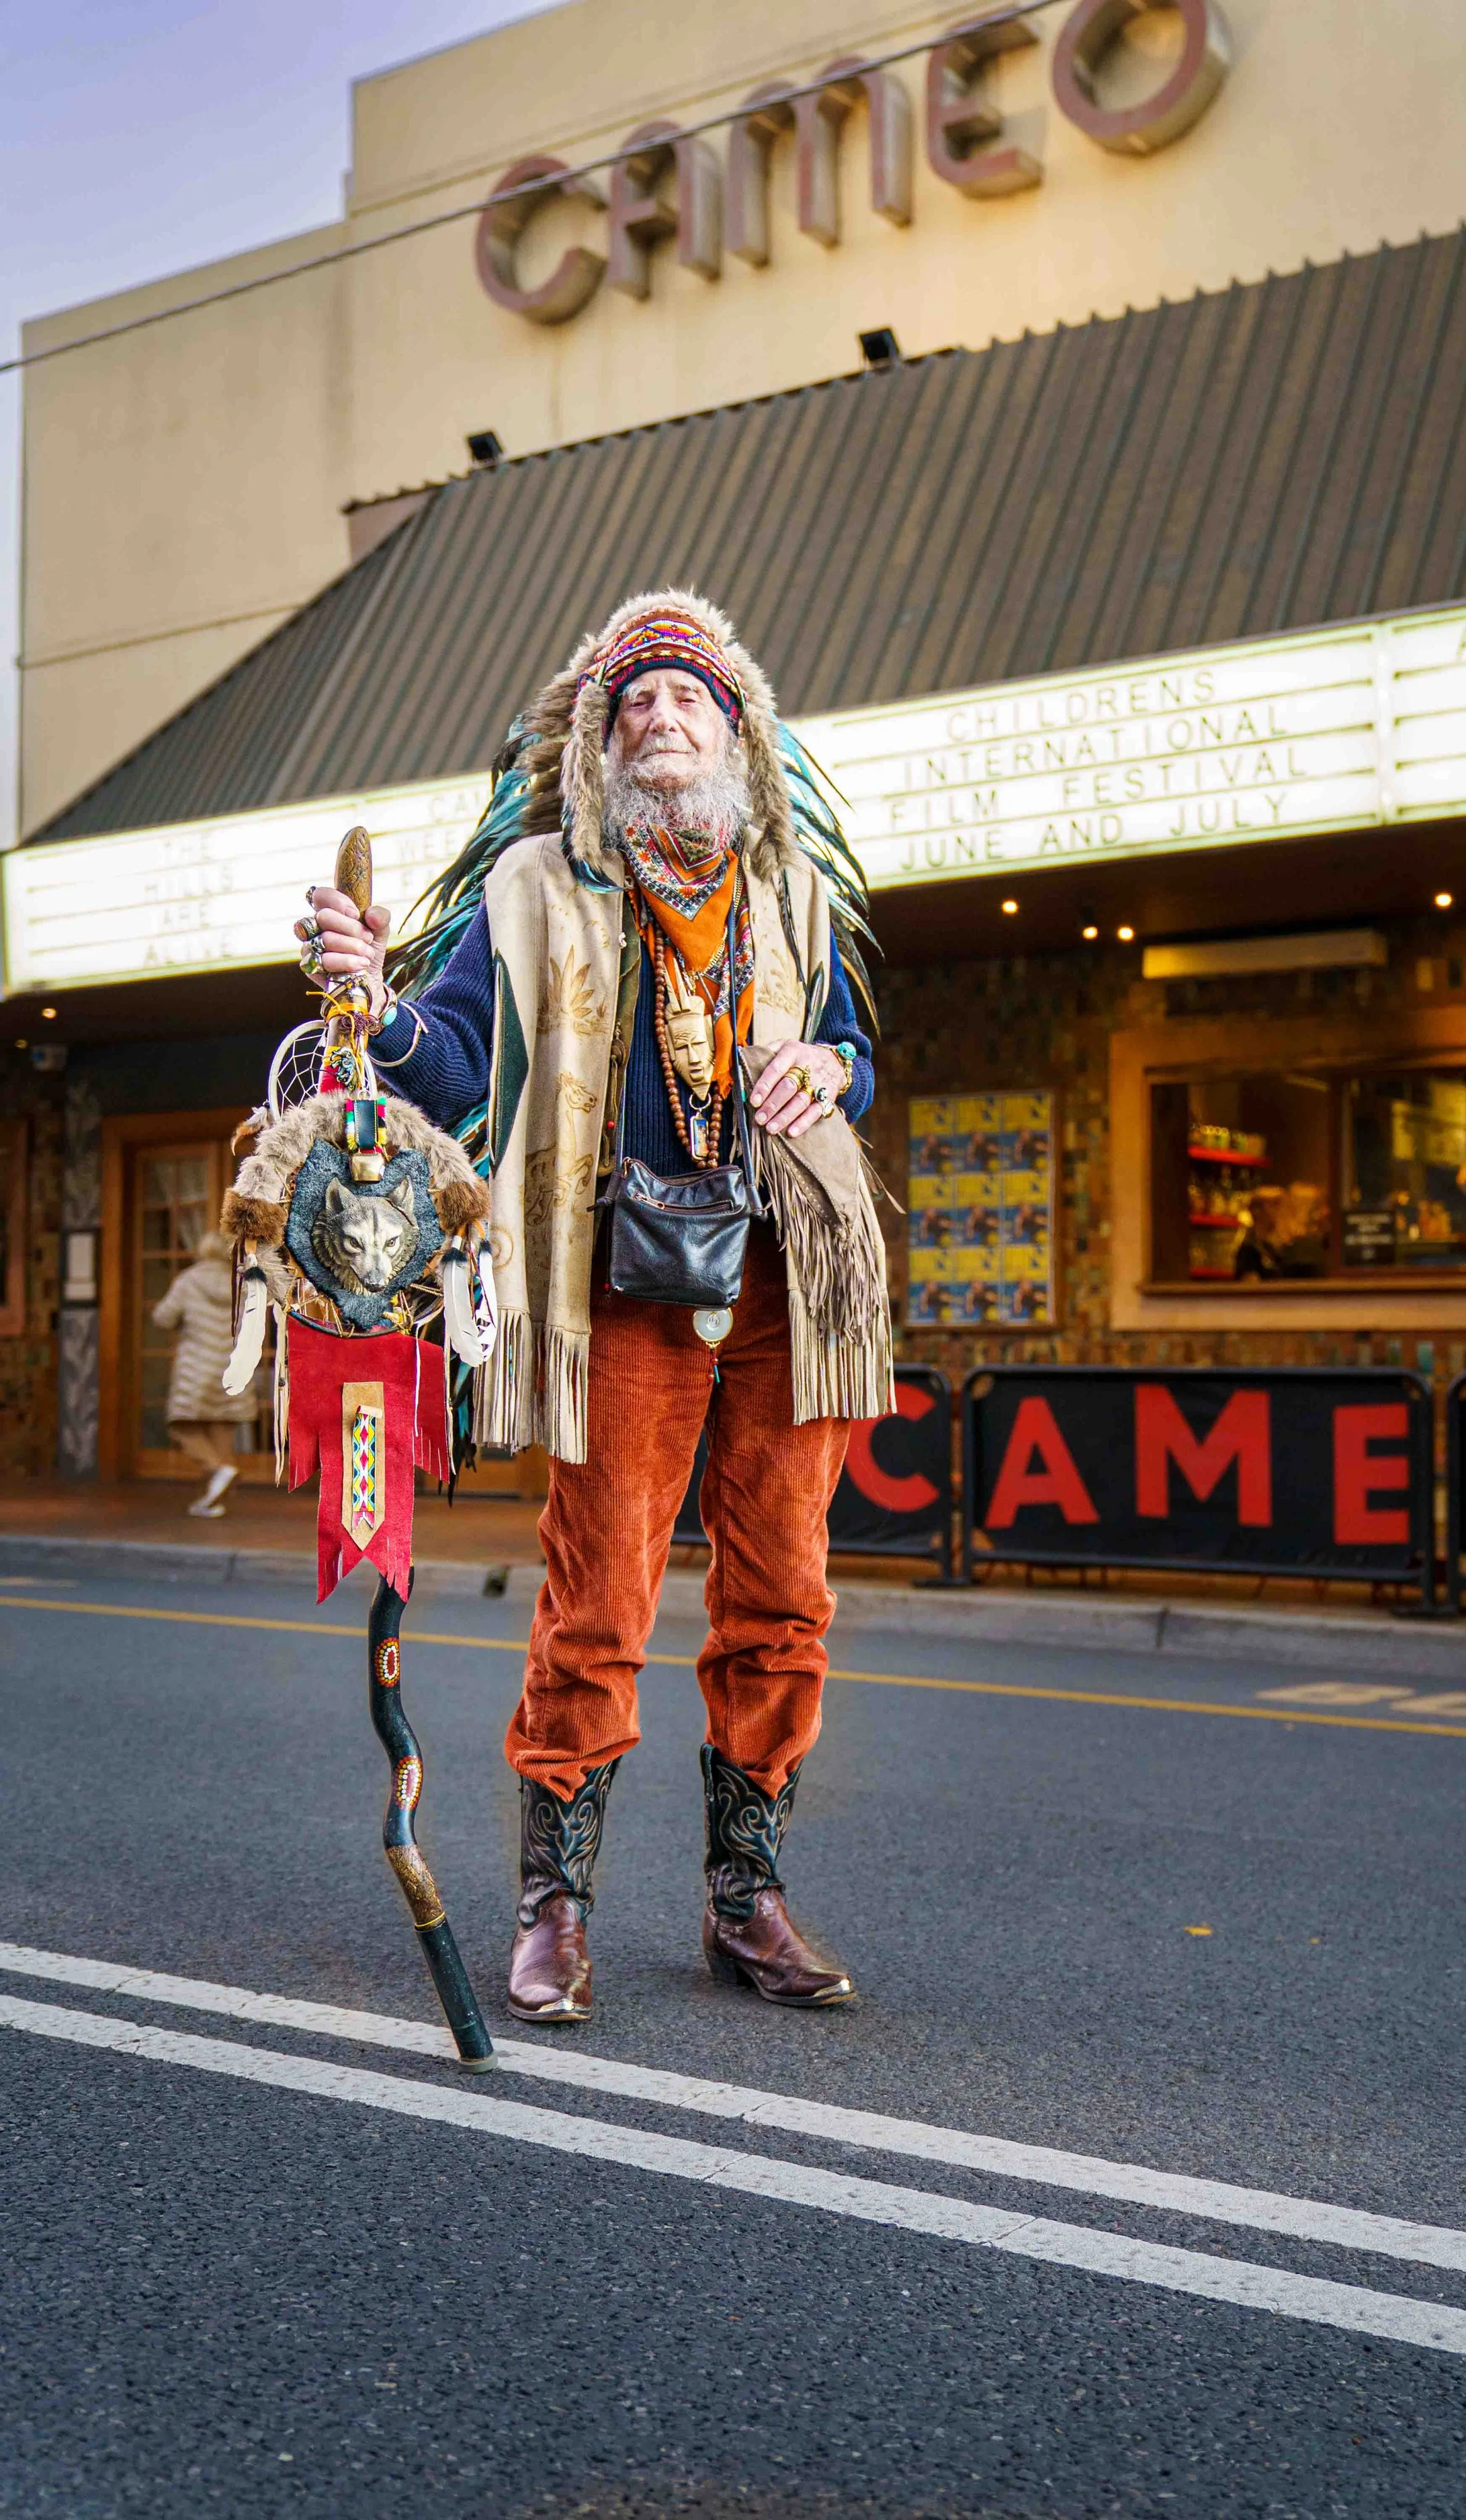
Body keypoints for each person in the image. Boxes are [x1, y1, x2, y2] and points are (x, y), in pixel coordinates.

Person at [293, 590, 891, 2025]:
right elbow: (447, 1067)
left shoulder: (791, 894)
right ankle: (553, 1911)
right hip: (619, 1278)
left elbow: (855, 1051)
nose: (659, 718)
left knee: (784, 1593)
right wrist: (373, 1001)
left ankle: (745, 1901)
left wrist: (829, 1068)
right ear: (597, 752)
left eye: (687, 700)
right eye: (632, 706)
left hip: (783, 1279)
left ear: (734, 733)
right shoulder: (531, 892)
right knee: (600, 1595)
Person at [153, 1229, 257, 1515]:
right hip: (232, 1368)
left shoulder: (189, 1281)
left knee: (181, 1426)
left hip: (197, 1368)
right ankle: (214, 1501)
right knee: (222, 1430)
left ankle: (218, 1470)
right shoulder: (243, 1283)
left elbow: (163, 1317)